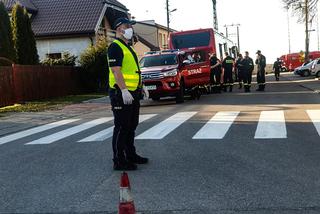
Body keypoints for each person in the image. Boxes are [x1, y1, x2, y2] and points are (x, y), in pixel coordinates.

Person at [107, 17, 149, 171]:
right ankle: (118, 160)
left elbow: (132, 70)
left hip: (133, 92)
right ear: (120, 29)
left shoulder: (128, 47)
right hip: (121, 93)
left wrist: (141, 85)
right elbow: (116, 70)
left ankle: (130, 155)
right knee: (121, 127)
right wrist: (124, 90)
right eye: (128, 26)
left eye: (131, 26)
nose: (131, 28)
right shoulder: (115, 47)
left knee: (131, 126)